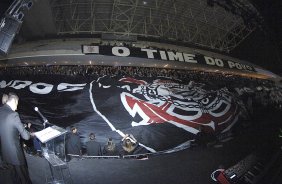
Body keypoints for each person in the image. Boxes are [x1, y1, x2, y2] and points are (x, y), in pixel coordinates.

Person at [0, 93, 33, 184]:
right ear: (14, 101)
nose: (17, 107)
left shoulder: (1, 110)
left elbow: (6, 127)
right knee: (24, 178)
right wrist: (27, 131)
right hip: (15, 155)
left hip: (4, 154)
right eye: (17, 104)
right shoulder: (14, 114)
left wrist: (20, 127)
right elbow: (26, 136)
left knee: (13, 178)